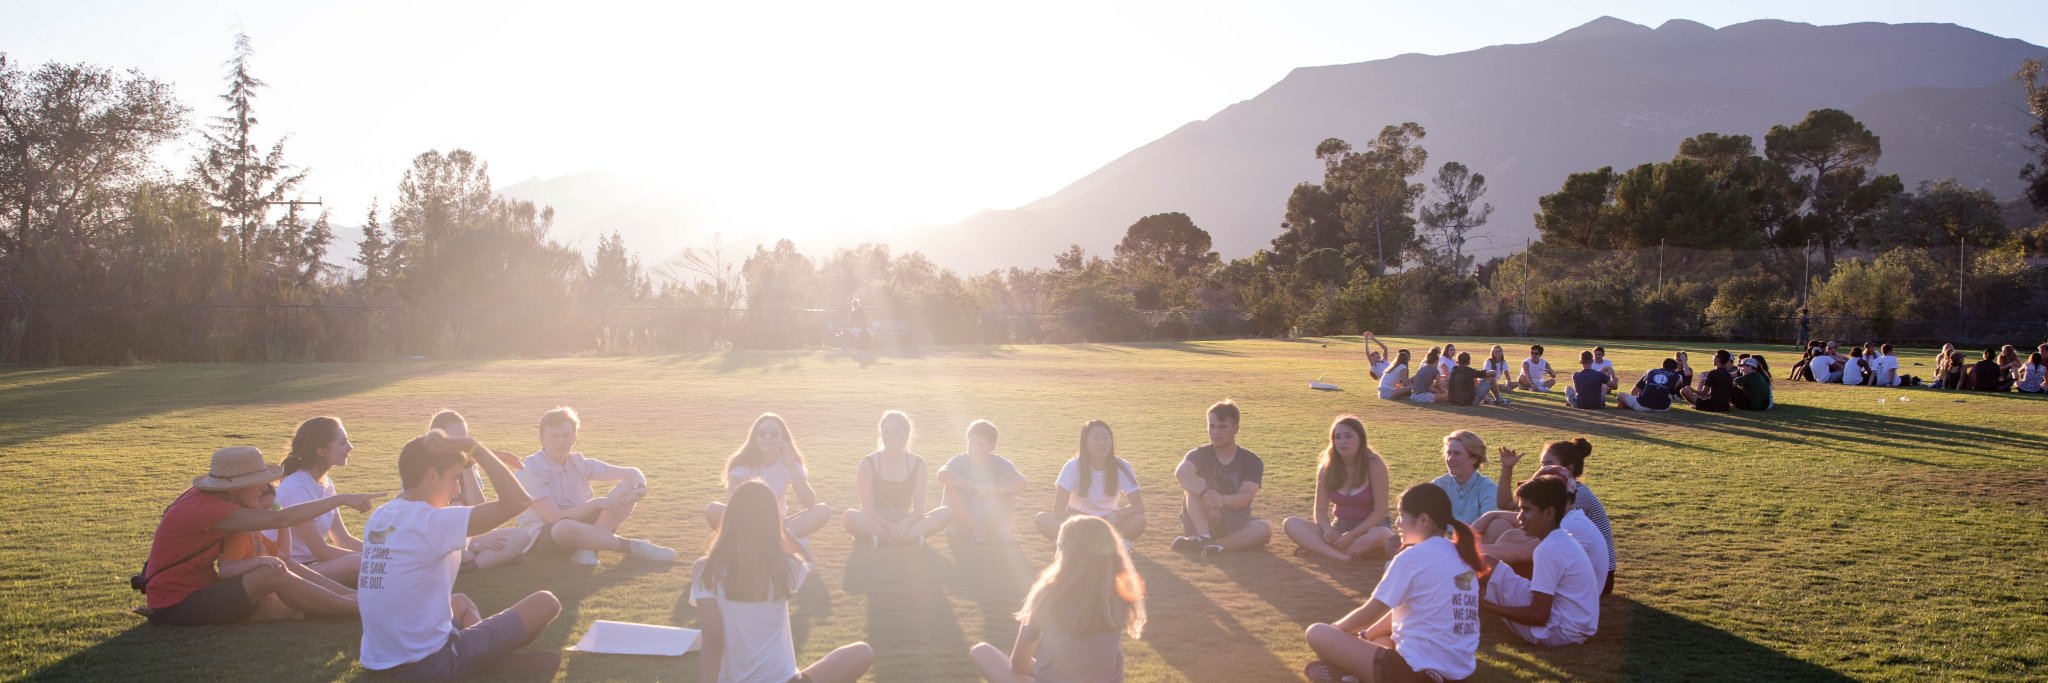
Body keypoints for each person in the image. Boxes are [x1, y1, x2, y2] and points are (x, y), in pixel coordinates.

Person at [358, 431, 563, 680]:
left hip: (379, 660)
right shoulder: (431, 521)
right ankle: (483, 662)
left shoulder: (382, 515)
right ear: (432, 475)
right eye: (454, 478)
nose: (457, 489)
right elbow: (518, 502)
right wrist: (472, 445)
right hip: (430, 664)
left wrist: (470, 456)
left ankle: (483, 658)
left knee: (461, 602)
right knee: (546, 602)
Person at [141, 447, 379, 626]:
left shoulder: (211, 498)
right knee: (269, 572)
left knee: (280, 563)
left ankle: (355, 599)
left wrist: (350, 593)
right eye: (257, 483)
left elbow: (283, 549)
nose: (264, 488)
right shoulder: (210, 508)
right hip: (177, 605)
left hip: (199, 592)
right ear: (235, 486)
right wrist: (340, 499)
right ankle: (359, 609)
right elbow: (281, 519)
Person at [693, 481, 874, 683]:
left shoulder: (705, 569)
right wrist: (783, 530)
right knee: (861, 652)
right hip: (787, 680)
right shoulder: (784, 566)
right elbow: (811, 566)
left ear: (730, 518)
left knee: (860, 652)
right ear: (772, 522)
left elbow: (713, 640)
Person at [1302, 484, 1484, 683]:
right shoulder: (1462, 556)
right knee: (1381, 640)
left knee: (1317, 633)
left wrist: (1335, 632)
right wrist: (1365, 636)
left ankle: (1347, 675)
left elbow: (1370, 612)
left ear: (1423, 520)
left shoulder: (1412, 557)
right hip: (1458, 676)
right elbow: (1404, 611)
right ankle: (1350, 676)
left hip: (1413, 674)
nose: (1397, 523)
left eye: (1401, 515)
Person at [969, 515, 1146, 683]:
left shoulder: (1048, 595)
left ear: (1064, 551)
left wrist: (1050, 674)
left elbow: (1019, 664)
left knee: (981, 651)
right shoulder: (1119, 595)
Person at [516, 407, 675, 567]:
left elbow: (631, 472)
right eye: (554, 436)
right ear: (541, 439)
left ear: (574, 438)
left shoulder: (578, 462)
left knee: (628, 485)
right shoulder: (530, 469)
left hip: (584, 527)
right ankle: (635, 547)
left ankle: (587, 549)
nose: (561, 441)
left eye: (566, 435)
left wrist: (640, 488)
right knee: (562, 527)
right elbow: (554, 517)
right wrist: (596, 503)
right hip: (547, 537)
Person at [1477, 476, 1601, 648]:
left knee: (1485, 564)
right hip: (1573, 625)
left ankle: (1452, 613)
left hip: (1559, 631)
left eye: (1526, 510)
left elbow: (1538, 616)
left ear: (1549, 513)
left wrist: (1490, 608)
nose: (1519, 517)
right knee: (1487, 561)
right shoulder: (1561, 538)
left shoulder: (1549, 548)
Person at [215, 478, 359, 621]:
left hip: (272, 593)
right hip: (263, 601)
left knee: (287, 563)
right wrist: (260, 561)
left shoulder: (256, 536)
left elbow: (284, 555)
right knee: (300, 590)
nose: (271, 513)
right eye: (265, 509)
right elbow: (225, 570)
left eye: (273, 507)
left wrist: (283, 524)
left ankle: (349, 596)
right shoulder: (239, 537)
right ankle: (350, 603)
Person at [1483, 438, 1614, 590]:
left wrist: (1470, 549)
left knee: (1510, 554)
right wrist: (1492, 515)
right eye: (1542, 464)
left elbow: (1523, 551)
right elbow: (1506, 504)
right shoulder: (1567, 504)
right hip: (1575, 574)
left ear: (1568, 468)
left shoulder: (1575, 500)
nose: (1542, 469)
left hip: (1595, 583)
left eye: (1549, 464)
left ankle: (1486, 584)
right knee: (1507, 532)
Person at [426, 410, 538, 572]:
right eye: (455, 440)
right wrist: (478, 543)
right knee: (462, 548)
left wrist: (468, 466)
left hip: (472, 533)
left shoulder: (469, 466)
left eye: (464, 439)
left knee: (520, 537)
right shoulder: (426, 470)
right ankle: (478, 555)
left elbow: (479, 508)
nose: (461, 446)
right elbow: (430, 521)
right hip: (441, 535)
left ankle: (471, 566)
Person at [1282, 416, 1398, 562]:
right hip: (1340, 527)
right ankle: (1345, 557)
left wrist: (1352, 535)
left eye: (1348, 436)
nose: (1342, 441)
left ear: (1361, 439)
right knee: (1291, 523)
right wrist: (1327, 530)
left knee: (1383, 535)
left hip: (1370, 527)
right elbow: (1320, 510)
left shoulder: (1374, 465)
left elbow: (1380, 511)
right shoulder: (1327, 467)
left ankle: (1320, 550)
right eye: (1337, 437)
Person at [707, 413, 835, 544]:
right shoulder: (743, 462)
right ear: (755, 437)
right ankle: (773, 539)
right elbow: (732, 502)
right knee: (713, 509)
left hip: (778, 523)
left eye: (774, 433)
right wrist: (754, 522)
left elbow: (809, 502)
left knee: (823, 510)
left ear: (782, 438)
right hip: (748, 521)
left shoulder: (789, 461)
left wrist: (791, 466)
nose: (767, 437)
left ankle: (771, 538)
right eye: (762, 433)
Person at [1171, 399, 1271, 557]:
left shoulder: (1252, 461)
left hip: (1234, 520)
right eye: (1211, 426)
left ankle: (1212, 545)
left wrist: (1221, 501)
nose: (1215, 432)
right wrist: (1207, 495)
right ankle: (1204, 537)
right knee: (1193, 487)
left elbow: (1245, 496)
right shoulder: (1199, 454)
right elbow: (1181, 472)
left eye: (1222, 427)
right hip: (1200, 517)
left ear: (1235, 429)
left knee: (1263, 530)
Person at [273, 416, 367, 582]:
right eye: (342, 443)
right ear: (322, 451)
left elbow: (343, 540)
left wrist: (383, 552)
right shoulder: (296, 487)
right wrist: (374, 558)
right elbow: (321, 552)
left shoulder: (326, 483)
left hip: (313, 564)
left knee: (367, 560)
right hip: (292, 568)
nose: (350, 447)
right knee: (359, 562)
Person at [843, 411, 954, 548]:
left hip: (905, 521)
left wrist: (904, 523)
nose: (890, 436)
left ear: (906, 434)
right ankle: (907, 538)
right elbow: (867, 510)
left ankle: (882, 538)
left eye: (896, 432)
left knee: (946, 513)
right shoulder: (868, 463)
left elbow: (919, 510)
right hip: (875, 520)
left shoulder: (918, 464)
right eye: (886, 432)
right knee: (849, 517)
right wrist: (888, 525)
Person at [1035, 420, 1147, 543]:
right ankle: (1108, 543)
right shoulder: (1072, 466)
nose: (1102, 443)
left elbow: (1138, 506)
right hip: (1077, 521)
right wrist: (1083, 525)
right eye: (1095, 439)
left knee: (1139, 520)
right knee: (1042, 519)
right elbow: (1058, 511)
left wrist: (1116, 514)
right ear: (1085, 442)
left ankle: (1079, 543)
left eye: (1106, 438)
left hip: (1108, 522)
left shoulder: (1123, 466)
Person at [938, 419, 1027, 544]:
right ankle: (977, 531)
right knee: (951, 488)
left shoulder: (999, 462)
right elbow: (942, 475)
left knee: (1009, 489)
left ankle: (1002, 531)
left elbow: (1021, 481)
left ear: (992, 447)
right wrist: (977, 487)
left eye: (980, 444)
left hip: (983, 512)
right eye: (971, 443)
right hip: (958, 521)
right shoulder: (959, 461)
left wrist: (997, 490)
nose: (974, 447)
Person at [1431, 430, 1497, 525]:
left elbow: (1491, 526)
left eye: (1457, 453)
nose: (1450, 458)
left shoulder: (1488, 489)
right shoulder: (1438, 486)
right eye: (1449, 453)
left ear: (1474, 459)